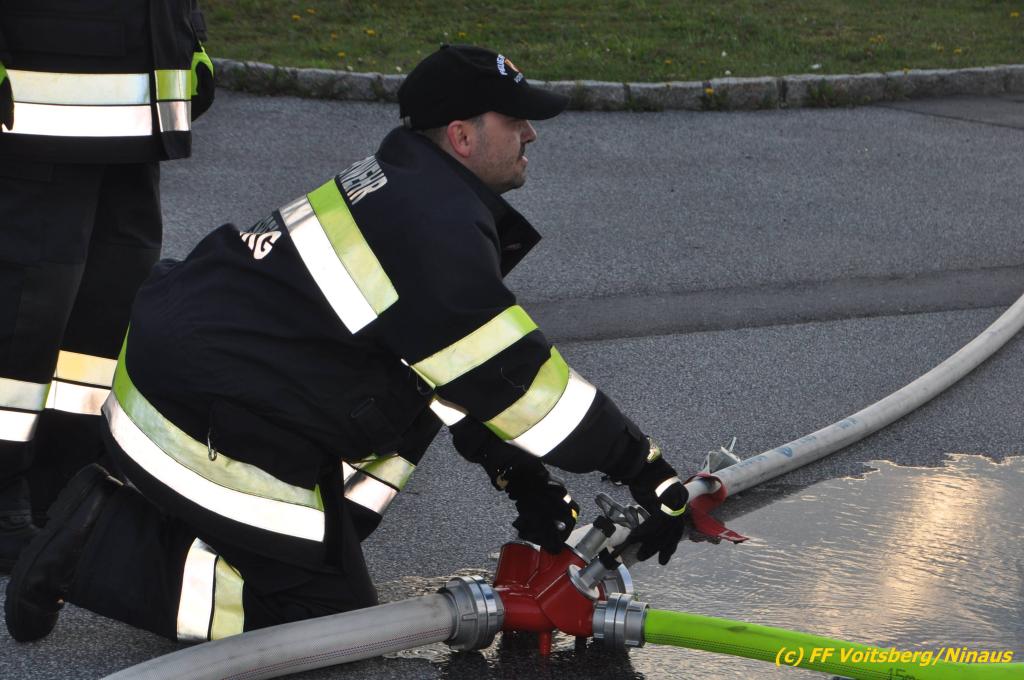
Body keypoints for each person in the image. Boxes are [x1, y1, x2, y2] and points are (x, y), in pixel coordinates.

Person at [4, 44, 688, 644]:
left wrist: (525, 480)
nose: (531, 133)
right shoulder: (433, 229)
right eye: (515, 121)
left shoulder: (409, 189)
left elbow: (457, 372)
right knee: (325, 625)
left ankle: (249, 538)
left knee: (388, 426)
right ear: (461, 136)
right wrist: (644, 470)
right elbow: (525, 385)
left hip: (197, 382)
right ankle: (95, 549)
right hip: (194, 417)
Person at [0, 1, 215, 571]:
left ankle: (63, 493)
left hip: (136, 111)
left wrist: (187, 38)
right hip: (34, 110)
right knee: (23, 316)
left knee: (101, 325)